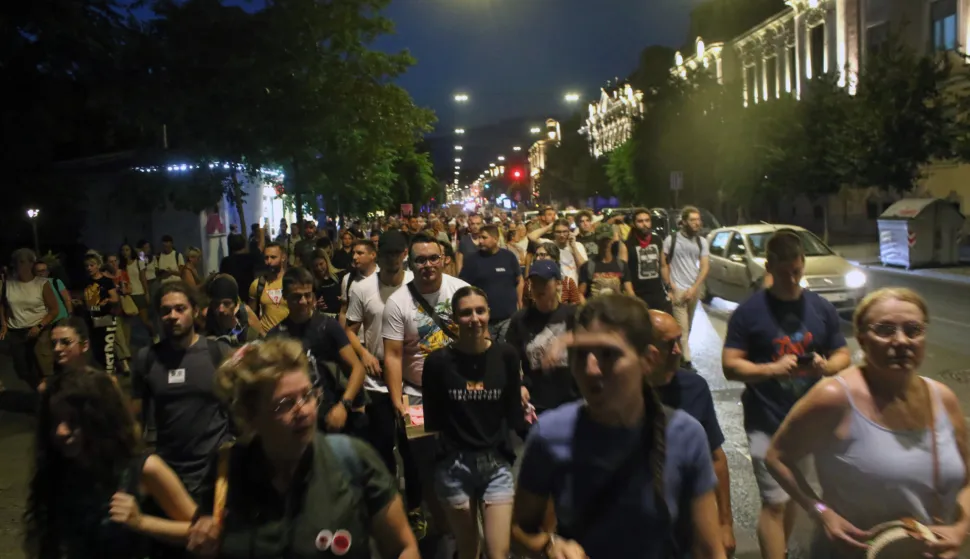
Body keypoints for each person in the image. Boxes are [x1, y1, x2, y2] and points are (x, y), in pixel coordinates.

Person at [512, 294, 725, 559]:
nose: (591, 369)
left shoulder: (685, 435)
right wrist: (549, 546)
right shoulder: (549, 434)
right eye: (580, 354)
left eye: (608, 354)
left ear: (648, 360)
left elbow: (709, 549)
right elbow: (519, 531)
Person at [766, 288, 970, 559]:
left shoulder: (943, 399)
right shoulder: (834, 397)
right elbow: (777, 457)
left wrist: (961, 528)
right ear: (862, 340)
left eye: (913, 330)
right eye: (885, 330)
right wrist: (821, 512)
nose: (901, 341)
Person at [187, 337, 421, 559]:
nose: (305, 411)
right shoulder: (226, 473)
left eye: (307, 396)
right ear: (251, 415)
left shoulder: (354, 461)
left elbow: (403, 547)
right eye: (286, 403)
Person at [722, 231, 851, 559]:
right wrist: (772, 369)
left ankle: (781, 549)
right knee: (775, 502)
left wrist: (825, 366)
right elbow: (730, 365)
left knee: (795, 496)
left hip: (811, 422)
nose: (793, 279)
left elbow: (843, 355)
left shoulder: (819, 308)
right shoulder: (749, 313)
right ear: (769, 267)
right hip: (767, 421)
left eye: (797, 271)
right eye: (785, 273)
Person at [25, 370, 197, 559]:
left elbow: (202, 533)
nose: (61, 431)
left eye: (74, 421)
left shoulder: (144, 469)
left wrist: (142, 522)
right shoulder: (59, 470)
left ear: (98, 420)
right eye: (54, 421)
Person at [423, 287, 521, 559]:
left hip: (496, 464)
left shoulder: (506, 356)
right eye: (466, 313)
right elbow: (435, 420)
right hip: (454, 465)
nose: (474, 318)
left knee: (498, 552)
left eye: (480, 311)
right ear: (455, 317)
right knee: (468, 551)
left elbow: (513, 412)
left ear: (489, 314)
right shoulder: (438, 363)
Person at [131, 281, 233, 501]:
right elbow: (137, 415)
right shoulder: (146, 359)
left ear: (195, 311)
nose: (173, 316)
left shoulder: (219, 353)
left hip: (214, 471)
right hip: (168, 472)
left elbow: (240, 407)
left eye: (180, 308)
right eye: (166, 311)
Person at [649, 309, 735, 556]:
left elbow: (716, 458)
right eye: (668, 344)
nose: (677, 350)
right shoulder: (626, 389)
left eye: (679, 340)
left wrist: (724, 523)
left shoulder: (695, 387)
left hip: (691, 523)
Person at [269, 267, 367, 435]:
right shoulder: (276, 336)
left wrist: (344, 405)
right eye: (296, 297)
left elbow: (357, 368)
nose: (303, 301)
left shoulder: (327, 326)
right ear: (285, 297)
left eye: (308, 295)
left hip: (329, 416)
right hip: (296, 421)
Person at [506, 260, 580, 425]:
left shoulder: (572, 315)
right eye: (534, 283)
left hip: (571, 400)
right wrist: (519, 385)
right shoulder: (520, 320)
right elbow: (510, 359)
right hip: (537, 403)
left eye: (544, 282)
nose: (538, 287)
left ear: (558, 284)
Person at [1, 248, 58, 389]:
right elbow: (2, 305)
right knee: (22, 369)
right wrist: (3, 325)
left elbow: (54, 309)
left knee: (43, 363)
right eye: (17, 262)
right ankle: (39, 388)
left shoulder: (42, 284)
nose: (20, 266)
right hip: (17, 330)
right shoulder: (8, 284)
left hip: (39, 329)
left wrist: (40, 326)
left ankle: (48, 394)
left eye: (23, 262)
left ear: (31, 264)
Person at [661, 206, 710, 369]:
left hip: (694, 289)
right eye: (693, 220)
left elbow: (704, 266)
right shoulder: (671, 240)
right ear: (683, 222)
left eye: (698, 219)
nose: (697, 223)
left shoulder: (701, 242)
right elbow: (663, 264)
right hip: (678, 289)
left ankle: (676, 356)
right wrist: (671, 286)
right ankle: (686, 361)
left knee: (687, 326)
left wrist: (695, 288)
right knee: (682, 327)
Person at [458, 224, 523, 342]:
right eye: (479, 238)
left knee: (507, 352)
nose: (480, 241)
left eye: (484, 238)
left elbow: (519, 281)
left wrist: (520, 305)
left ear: (496, 239)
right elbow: (463, 287)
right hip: (484, 322)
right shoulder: (472, 261)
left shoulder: (508, 257)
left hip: (508, 319)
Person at [622, 208, 670, 313]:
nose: (644, 224)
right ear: (634, 224)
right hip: (638, 295)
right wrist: (631, 295)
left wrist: (669, 289)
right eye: (640, 221)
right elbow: (625, 273)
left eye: (647, 220)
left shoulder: (657, 240)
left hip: (658, 294)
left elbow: (663, 265)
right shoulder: (627, 244)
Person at [83, 253, 120, 376]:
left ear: (98, 266)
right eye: (87, 266)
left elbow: (115, 298)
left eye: (91, 265)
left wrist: (108, 300)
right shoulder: (86, 281)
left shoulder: (106, 281)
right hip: (91, 319)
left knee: (107, 349)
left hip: (106, 318)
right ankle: (101, 374)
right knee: (96, 349)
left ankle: (111, 375)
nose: (89, 268)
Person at [203, 275, 260, 347]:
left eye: (226, 304)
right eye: (216, 304)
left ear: (235, 304)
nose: (221, 309)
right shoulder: (208, 317)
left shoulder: (245, 315)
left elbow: (263, 341)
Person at [248, 242, 288, 334]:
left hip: (289, 336)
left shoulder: (292, 281)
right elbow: (251, 314)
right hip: (266, 336)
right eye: (266, 258)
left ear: (283, 257)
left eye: (273, 257)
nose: (269, 261)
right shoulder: (257, 284)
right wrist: (262, 334)